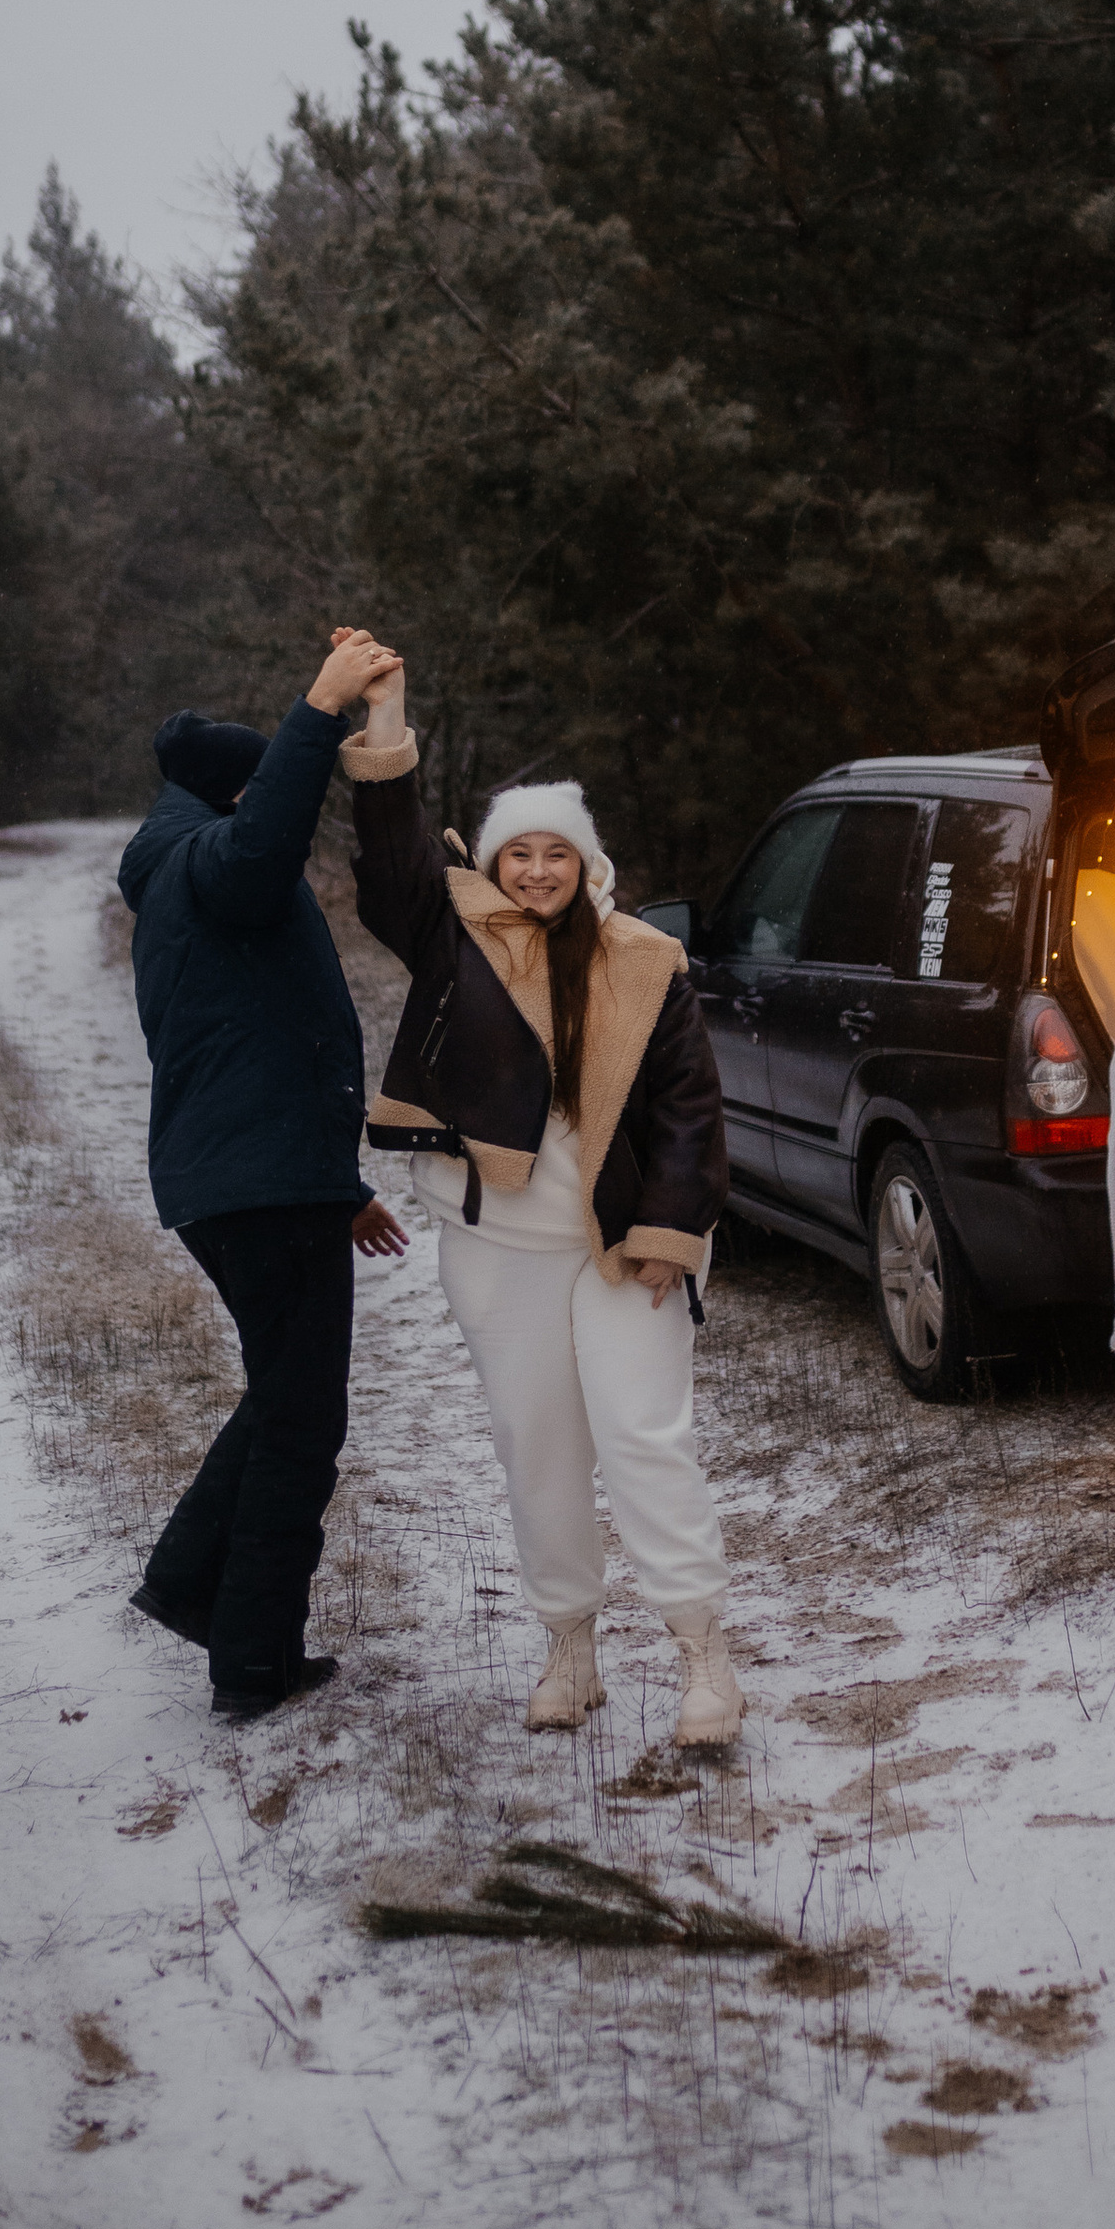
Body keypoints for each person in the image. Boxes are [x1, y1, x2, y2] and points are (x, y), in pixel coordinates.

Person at [335, 632, 741, 1746]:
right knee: (538, 1443)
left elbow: (690, 1106)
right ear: (498, 864)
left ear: (586, 864)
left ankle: (704, 1658)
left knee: (644, 1436)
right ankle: (571, 1648)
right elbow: (388, 850)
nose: (537, 873)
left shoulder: (647, 963)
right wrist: (385, 716)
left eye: (557, 857)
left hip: (621, 1249)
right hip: (499, 1246)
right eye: (520, 857)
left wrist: (670, 1230)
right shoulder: (452, 935)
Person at [119, 634, 409, 1724]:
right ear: (226, 793)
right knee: (301, 1421)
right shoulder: (202, 864)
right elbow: (261, 856)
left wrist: (335, 1186)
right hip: (255, 1186)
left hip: (267, 1179)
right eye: (251, 790)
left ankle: (195, 1587)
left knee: (287, 1400)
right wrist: (321, 712)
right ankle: (250, 1658)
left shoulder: (177, 871)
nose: (262, 809)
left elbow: (259, 1048)